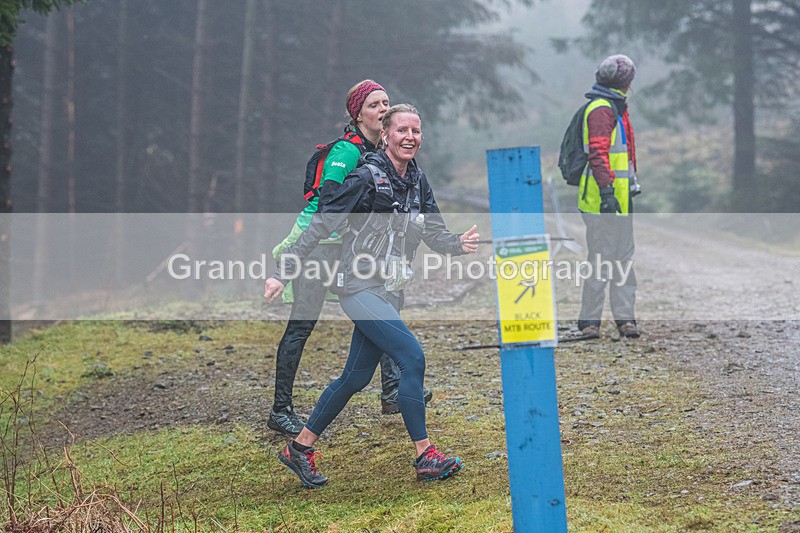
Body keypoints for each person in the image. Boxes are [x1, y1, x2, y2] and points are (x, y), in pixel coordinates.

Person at [264, 104, 480, 487]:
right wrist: (284, 270)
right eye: (402, 130)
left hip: (388, 291)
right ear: (385, 134)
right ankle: (425, 455)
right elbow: (321, 223)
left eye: (416, 130)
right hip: (358, 287)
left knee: (355, 377)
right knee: (411, 357)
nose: (410, 136)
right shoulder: (365, 176)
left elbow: (433, 232)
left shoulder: (418, 182)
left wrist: (457, 244)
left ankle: (299, 448)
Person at [267, 81, 428, 438]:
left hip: (347, 248)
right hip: (319, 245)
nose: (384, 108)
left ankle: (391, 391)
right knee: (302, 325)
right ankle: (281, 410)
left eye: (387, 102)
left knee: (381, 307)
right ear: (358, 115)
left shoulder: (382, 153)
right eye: (375, 104)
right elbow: (328, 205)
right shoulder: (346, 151)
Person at [576, 54, 641, 339]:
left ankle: (626, 321)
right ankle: (590, 324)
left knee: (623, 260)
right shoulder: (602, 109)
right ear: (624, 81)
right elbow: (598, 153)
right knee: (602, 259)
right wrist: (606, 192)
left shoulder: (616, 106)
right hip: (603, 200)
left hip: (620, 199)